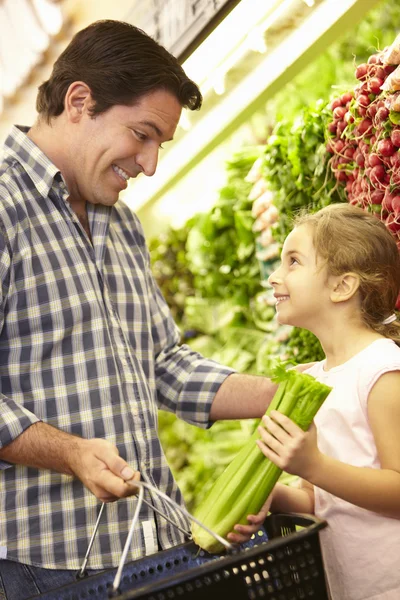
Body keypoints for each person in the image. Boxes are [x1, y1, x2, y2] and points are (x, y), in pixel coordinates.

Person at [0, 19, 289, 600]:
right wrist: (71, 453)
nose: (150, 163)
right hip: (46, 566)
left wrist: (284, 394)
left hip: (156, 545)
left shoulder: (121, 225)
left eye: (160, 144)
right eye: (142, 134)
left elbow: (165, 364)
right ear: (79, 101)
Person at [230, 203, 400, 600]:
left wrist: (314, 464)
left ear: (342, 286)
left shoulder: (381, 368)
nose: (274, 276)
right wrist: (271, 497)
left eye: (293, 261)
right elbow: (318, 499)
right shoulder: (315, 380)